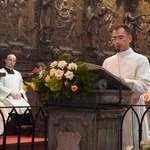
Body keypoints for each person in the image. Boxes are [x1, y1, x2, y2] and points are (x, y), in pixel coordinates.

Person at [102, 24, 150, 149]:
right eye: (114, 38)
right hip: (111, 109)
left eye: (120, 37)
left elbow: (144, 84)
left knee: (131, 142)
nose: (117, 41)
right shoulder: (108, 61)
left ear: (129, 38)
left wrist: (124, 82)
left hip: (132, 108)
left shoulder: (141, 60)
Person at [0, 54, 31, 135]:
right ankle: (10, 131)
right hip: (6, 97)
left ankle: (22, 132)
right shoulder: (1, 72)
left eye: (14, 61)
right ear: (6, 60)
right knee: (13, 107)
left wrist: (20, 93)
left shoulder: (18, 74)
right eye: (10, 60)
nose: (12, 62)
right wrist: (10, 92)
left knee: (27, 106)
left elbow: (22, 86)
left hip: (17, 97)